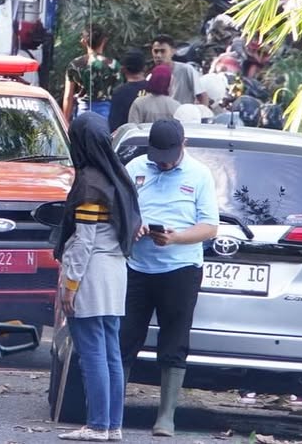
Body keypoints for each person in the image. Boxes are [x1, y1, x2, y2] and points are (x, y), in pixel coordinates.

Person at [120, 119, 219, 437]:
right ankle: (111, 410)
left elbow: (210, 227)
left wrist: (176, 238)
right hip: (137, 267)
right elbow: (120, 210)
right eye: (158, 156)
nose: (163, 162)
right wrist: (134, 226)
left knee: (174, 343)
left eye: (169, 156)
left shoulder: (200, 174)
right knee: (124, 339)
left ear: (183, 145)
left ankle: (166, 416)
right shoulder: (135, 167)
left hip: (180, 269)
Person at [54, 113, 142, 441]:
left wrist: (70, 284)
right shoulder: (118, 175)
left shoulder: (89, 182)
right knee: (111, 353)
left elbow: (83, 241)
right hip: (116, 271)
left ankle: (97, 425)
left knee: (92, 353)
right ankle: (113, 425)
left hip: (91, 274)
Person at [63, 27, 122, 122]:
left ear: (83, 41)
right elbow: (119, 94)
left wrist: (65, 122)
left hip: (82, 114)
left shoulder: (75, 64)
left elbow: (68, 96)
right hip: (106, 115)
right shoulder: (113, 65)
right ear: (104, 40)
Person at [150, 35, 206, 106]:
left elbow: (202, 96)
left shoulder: (186, 70)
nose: (158, 55)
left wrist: (203, 111)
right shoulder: (151, 77)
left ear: (173, 52)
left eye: (163, 51)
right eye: (156, 51)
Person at [108, 50, 149, 132]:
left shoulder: (119, 93)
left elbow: (114, 125)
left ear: (123, 69)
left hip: (128, 137)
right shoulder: (154, 89)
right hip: (152, 136)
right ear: (145, 68)